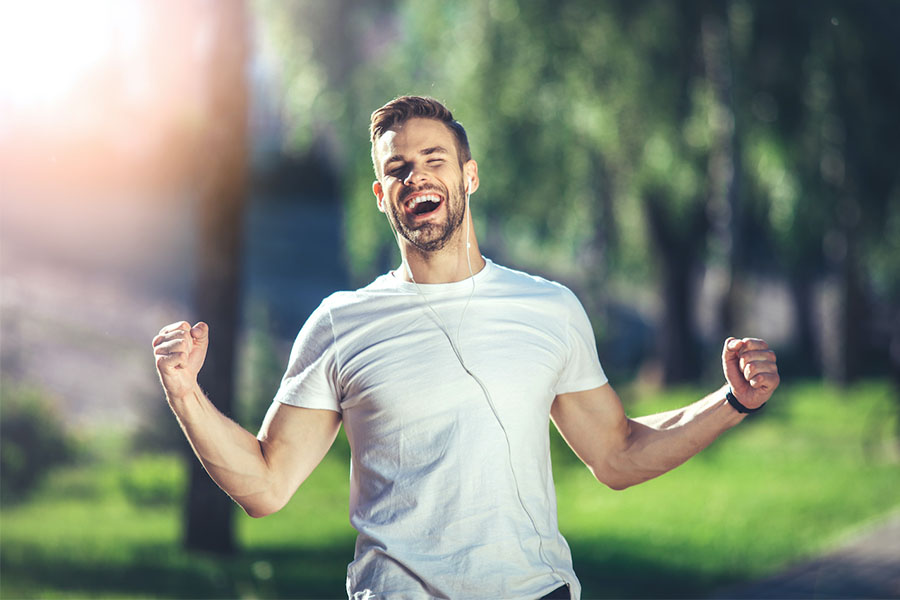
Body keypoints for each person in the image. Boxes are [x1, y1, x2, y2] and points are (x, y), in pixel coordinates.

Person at [152, 96, 780, 600]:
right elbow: (265, 486)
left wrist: (733, 401)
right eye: (397, 168)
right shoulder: (342, 323)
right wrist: (185, 392)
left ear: (468, 176)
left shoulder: (549, 308)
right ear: (381, 196)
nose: (416, 175)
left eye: (434, 159)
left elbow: (617, 456)